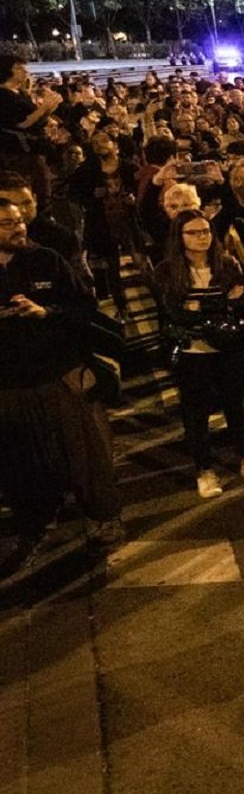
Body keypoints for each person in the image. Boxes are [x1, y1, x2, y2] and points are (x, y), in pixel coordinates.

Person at [0, 199, 119, 576]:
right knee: (22, 464)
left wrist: (47, 312)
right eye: (7, 224)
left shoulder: (47, 260)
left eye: (20, 221)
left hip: (59, 376)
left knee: (86, 455)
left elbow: (86, 310)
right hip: (10, 387)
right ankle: (34, 530)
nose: (19, 229)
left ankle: (103, 518)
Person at [151, 210, 244, 497]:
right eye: (193, 233)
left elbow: (243, 302)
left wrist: (198, 307)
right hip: (192, 352)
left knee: (237, 405)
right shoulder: (167, 271)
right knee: (196, 412)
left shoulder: (227, 264)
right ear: (179, 237)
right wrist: (219, 304)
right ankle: (204, 469)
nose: (201, 238)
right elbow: (173, 314)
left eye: (205, 231)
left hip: (230, 347)